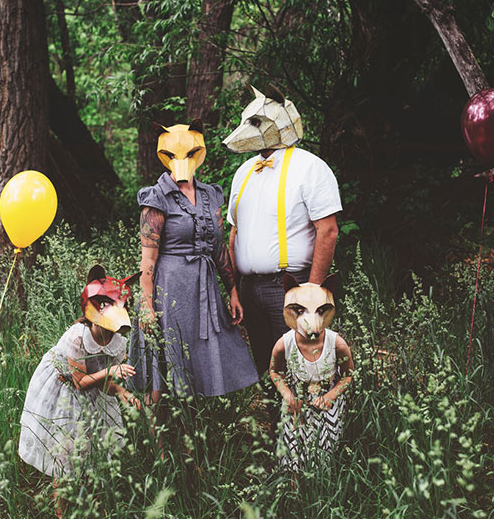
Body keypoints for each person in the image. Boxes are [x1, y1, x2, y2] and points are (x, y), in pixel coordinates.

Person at [133, 120, 259, 400]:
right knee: (166, 360)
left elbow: (219, 248)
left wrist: (233, 290)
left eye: (191, 152)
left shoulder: (209, 195)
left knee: (205, 353)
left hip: (205, 287)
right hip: (171, 289)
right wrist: (146, 305)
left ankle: (198, 420)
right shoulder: (156, 197)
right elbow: (148, 259)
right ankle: (159, 427)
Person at [224, 84, 342, 378]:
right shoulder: (243, 172)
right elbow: (234, 234)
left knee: (302, 367)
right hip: (249, 288)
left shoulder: (311, 167)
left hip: (289, 285)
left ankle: (307, 410)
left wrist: (311, 292)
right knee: (266, 367)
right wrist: (234, 288)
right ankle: (273, 409)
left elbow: (328, 231)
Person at [18, 265, 141, 515]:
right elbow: (80, 381)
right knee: (64, 456)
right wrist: (111, 371)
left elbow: (103, 384)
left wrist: (122, 393)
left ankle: (90, 502)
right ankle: (61, 512)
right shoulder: (77, 337)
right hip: (66, 389)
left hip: (94, 391)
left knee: (91, 451)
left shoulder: (118, 343)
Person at [269, 273, 353, 472]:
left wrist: (331, 396)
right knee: (294, 448)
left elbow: (348, 375)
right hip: (296, 403)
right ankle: (294, 482)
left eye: (320, 311)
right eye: (300, 311)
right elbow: (274, 371)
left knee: (325, 450)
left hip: (327, 404)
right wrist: (287, 395)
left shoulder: (337, 343)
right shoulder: (284, 344)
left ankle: (324, 483)